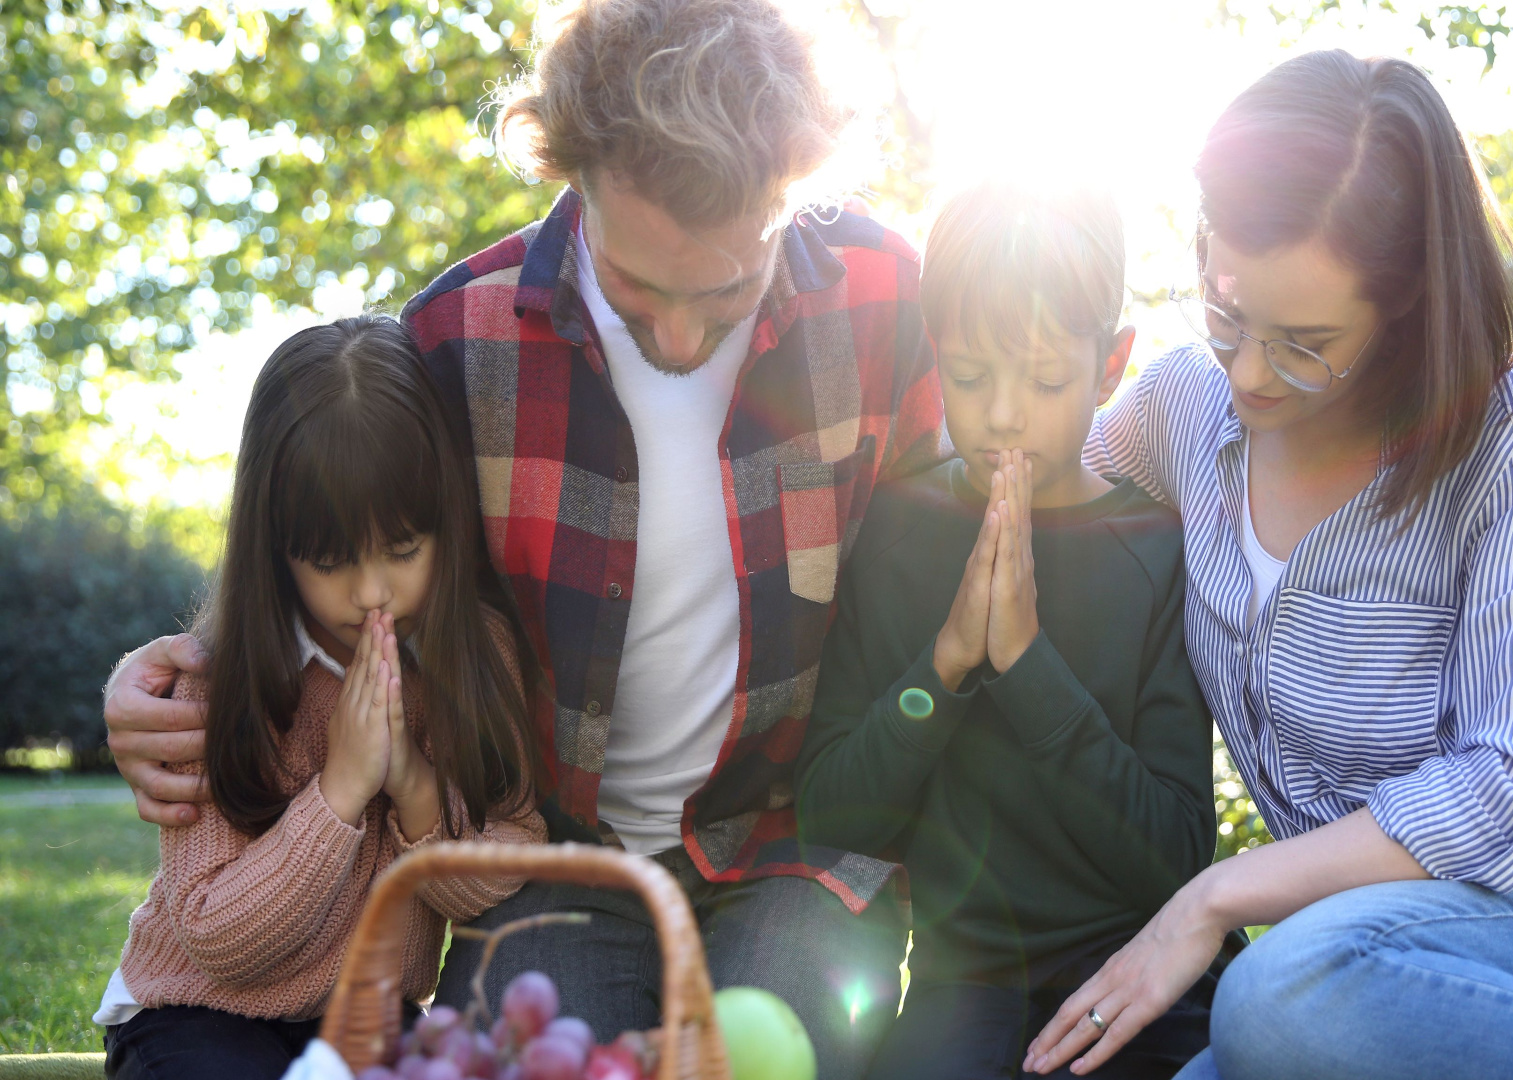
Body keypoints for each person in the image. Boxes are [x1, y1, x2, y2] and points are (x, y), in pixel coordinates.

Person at [99, 2, 943, 1074]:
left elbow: (985, 518)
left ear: (797, 188)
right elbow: (328, 538)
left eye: (729, 285)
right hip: (550, 855)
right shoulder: (456, 342)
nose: (681, 337)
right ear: (570, 171)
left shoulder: (886, 299)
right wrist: (172, 671)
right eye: (642, 285)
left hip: (791, 845)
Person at [1021, 51, 1513, 1080]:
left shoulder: (1509, 429)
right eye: (1227, 317)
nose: (1250, 371)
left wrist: (1214, 896)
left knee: (1276, 994)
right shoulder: (1177, 410)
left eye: (1305, 343)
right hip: (1375, 978)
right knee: (1262, 1028)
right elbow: (1036, 478)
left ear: (1406, 309)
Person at [797, 183, 1219, 1080]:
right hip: (964, 983)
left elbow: (1175, 856)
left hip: (1139, 966)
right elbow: (834, 813)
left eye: (1046, 380)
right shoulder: (900, 529)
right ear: (934, 354)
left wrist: (1026, 664)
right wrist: (947, 664)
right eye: (971, 376)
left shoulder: (1154, 546)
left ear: (1111, 366)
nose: (1002, 415)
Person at [93, 316, 546, 1080]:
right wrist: (339, 789)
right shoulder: (224, 676)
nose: (372, 591)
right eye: (332, 560)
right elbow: (219, 942)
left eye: (403, 550)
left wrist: (410, 784)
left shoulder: (477, 656)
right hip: (197, 1012)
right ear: (277, 544)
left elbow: (507, 863)